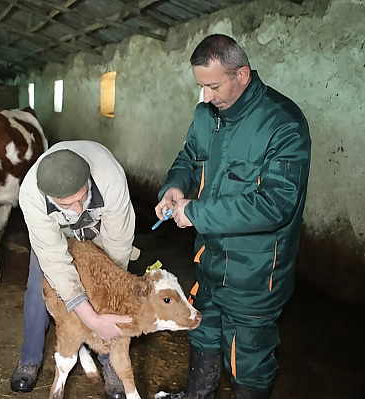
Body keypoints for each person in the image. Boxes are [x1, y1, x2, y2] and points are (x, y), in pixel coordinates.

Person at [154, 34, 312, 399]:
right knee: (203, 330)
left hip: (255, 273)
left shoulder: (283, 123)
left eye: (212, 86)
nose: (206, 97)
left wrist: (196, 211)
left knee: (248, 357)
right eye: (200, 87)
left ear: (241, 74)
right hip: (209, 259)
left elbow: (276, 204)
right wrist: (175, 186)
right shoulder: (206, 115)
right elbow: (190, 157)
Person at [11, 140, 138, 399]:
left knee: (107, 290)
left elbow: (118, 249)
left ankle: (109, 360)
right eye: (67, 204)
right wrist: (91, 319)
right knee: (38, 289)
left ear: (89, 181)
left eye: (82, 197)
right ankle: (30, 358)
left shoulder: (110, 179)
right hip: (56, 233)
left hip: (98, 228)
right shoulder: (31, 196)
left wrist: (105, 290)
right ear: (50, 198)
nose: (78, 208)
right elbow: (56, 262)